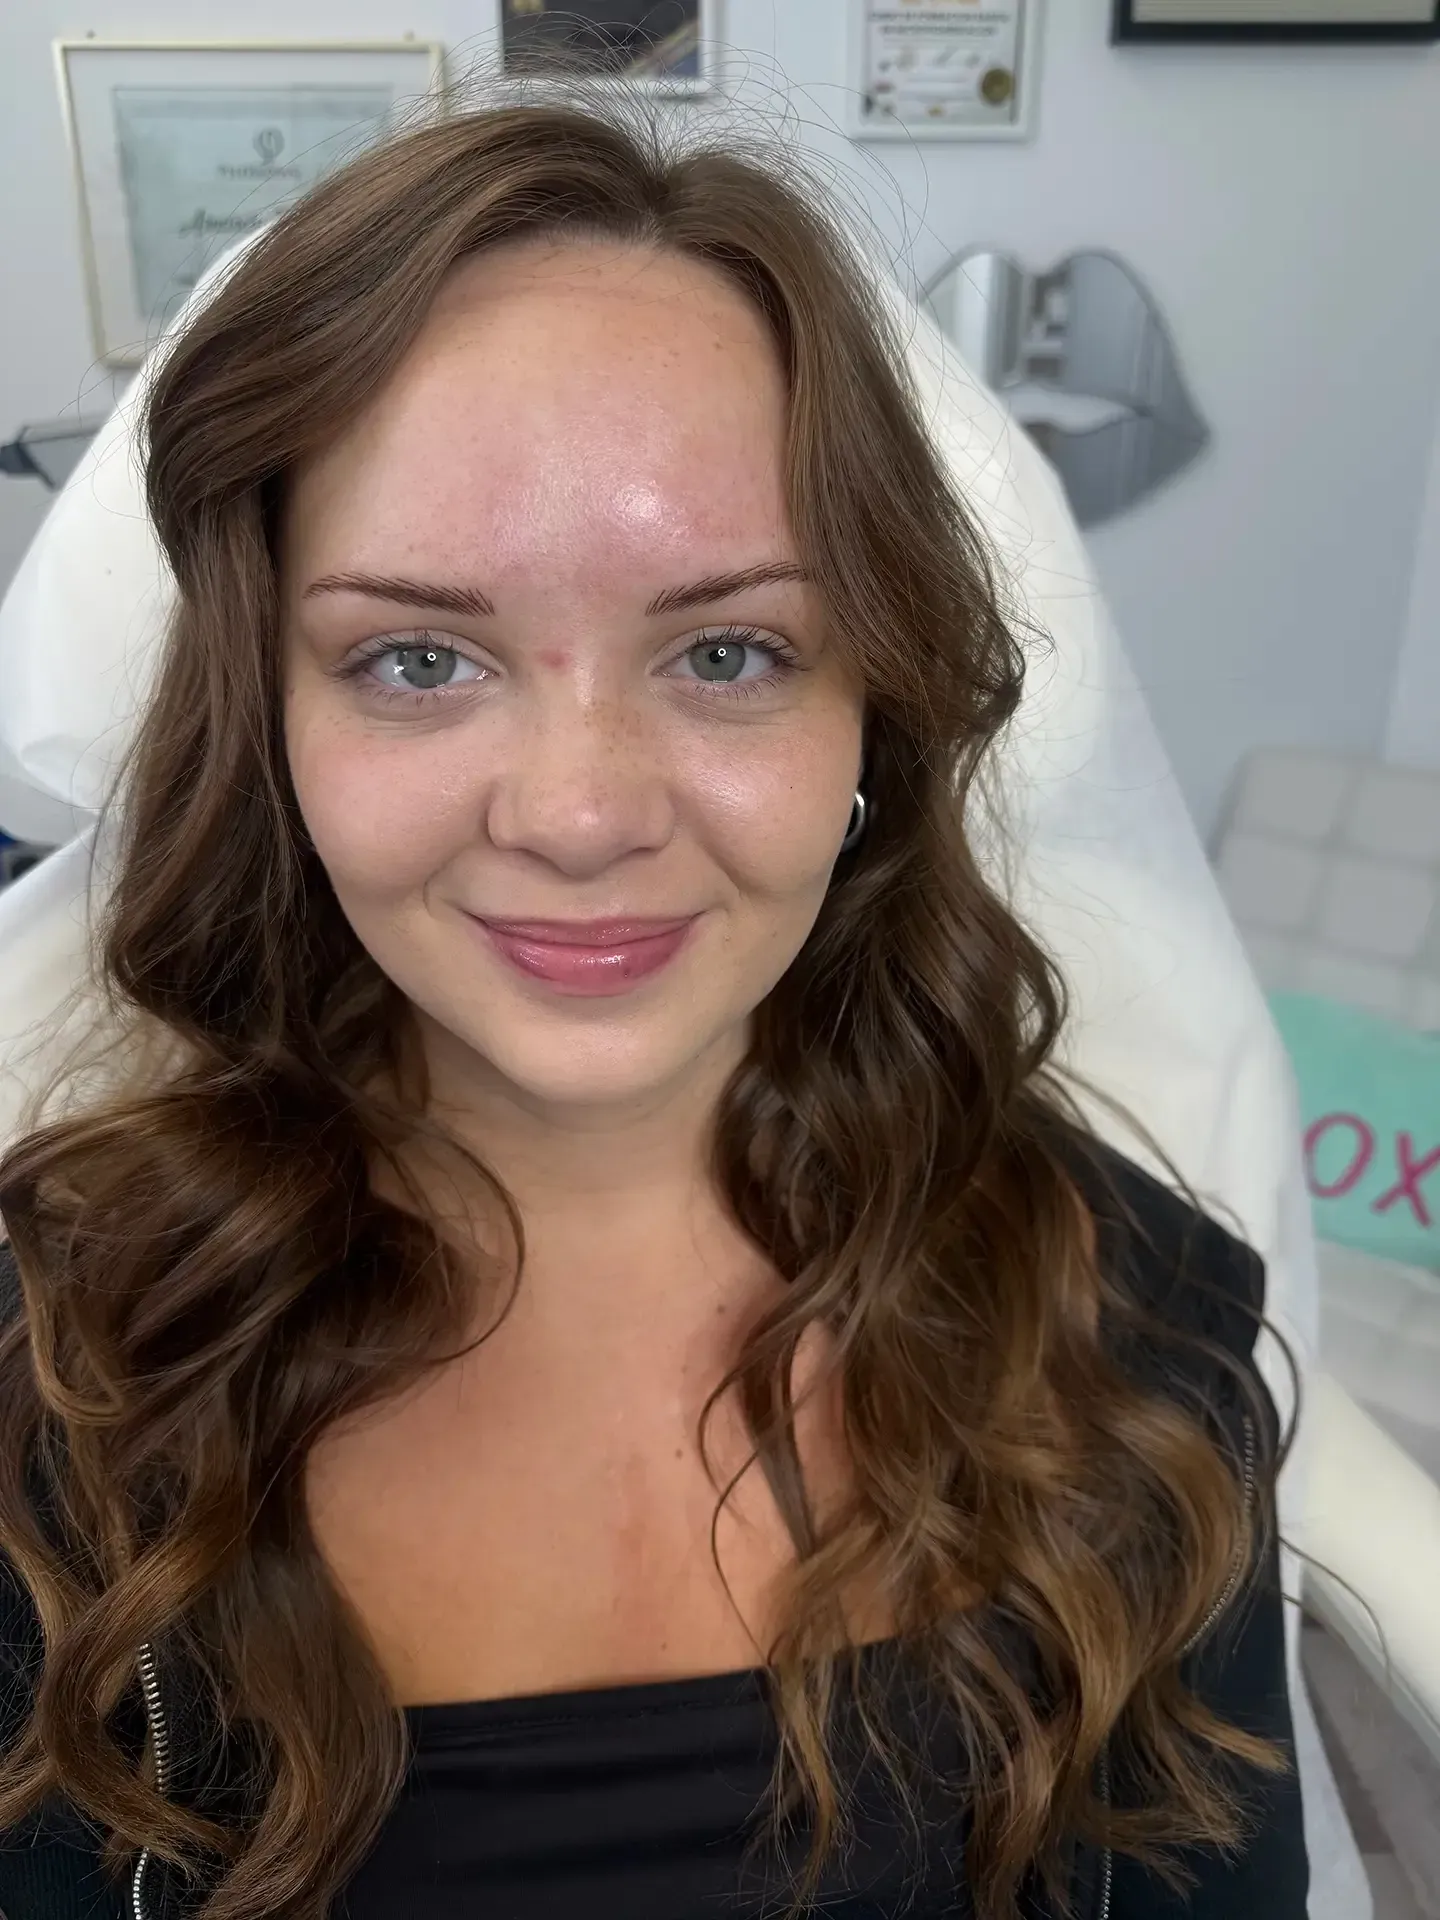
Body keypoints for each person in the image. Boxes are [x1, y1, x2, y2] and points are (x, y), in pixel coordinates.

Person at [0, 99, 1306, 1920]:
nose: (582, 811)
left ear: (876, 713)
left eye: (729, 651)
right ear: (270, 720)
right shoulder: (47, 1372)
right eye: (418, 658)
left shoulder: (1130, 1337)